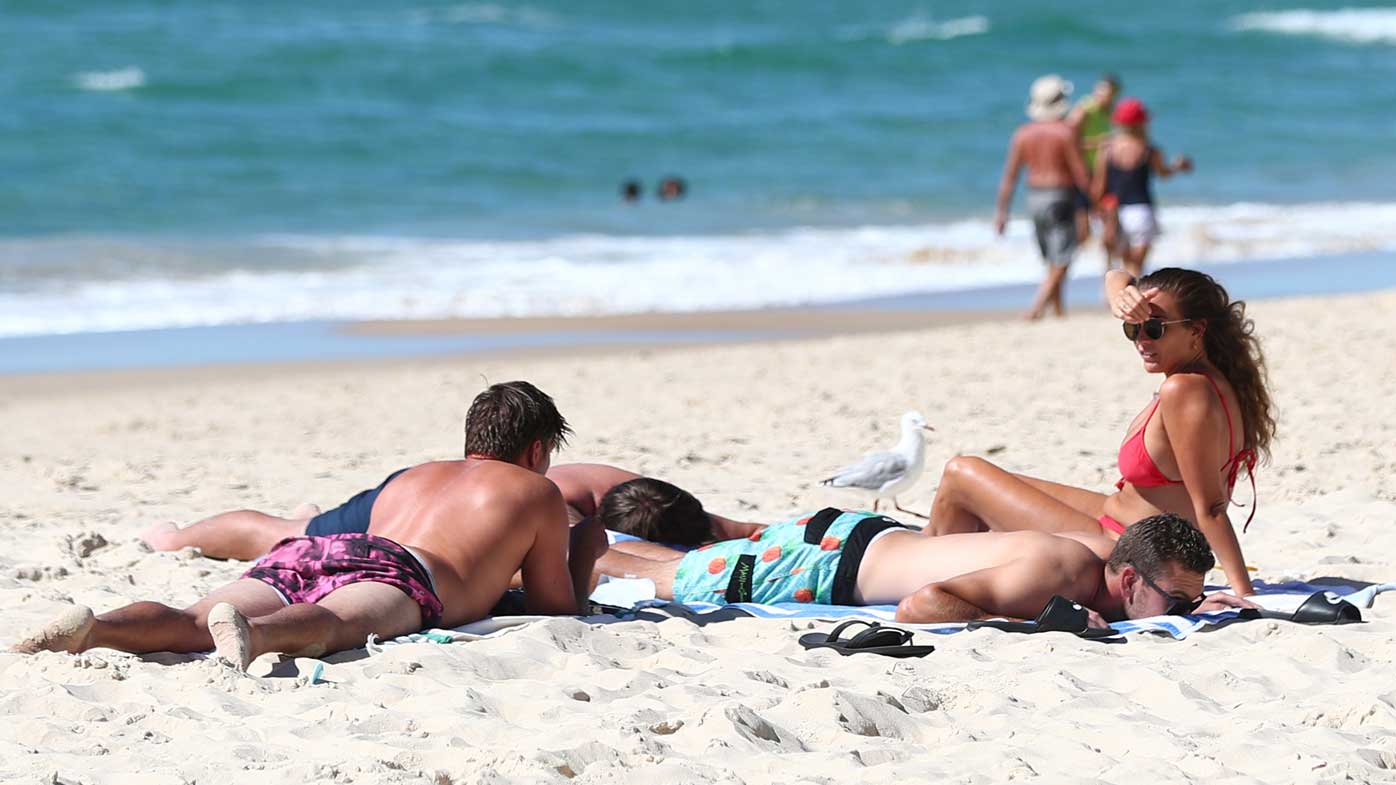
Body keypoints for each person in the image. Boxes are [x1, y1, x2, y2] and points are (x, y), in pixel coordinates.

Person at [11, 381, 605, 669]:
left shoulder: (415, 474)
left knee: (196, 618)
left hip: (320, 548)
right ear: (536, 449)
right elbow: (556, 608)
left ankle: (98, 627)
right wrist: (584, 550)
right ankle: (258, 636)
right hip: (408, 574)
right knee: (341, 620)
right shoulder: (536, 491)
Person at [926, 268, 1273, 598]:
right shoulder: (1216, 380)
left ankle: (917, 566)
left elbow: (1210, 508)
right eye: (1132, 328)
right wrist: (1121, 295)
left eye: (1154, 328)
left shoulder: (1184, 390)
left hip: (1123, 545)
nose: (1141, 340)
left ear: (1196, 330)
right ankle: (926, 554)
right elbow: (1115, 274)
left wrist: (1244, 593)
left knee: (961, 474)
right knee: (989, 482)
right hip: (1115, 518)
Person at [602, 508, 1248, 624]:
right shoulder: (1058, 576)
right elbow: (924, 604)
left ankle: (589, 541)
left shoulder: (1097, 553)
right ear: (1129, 580)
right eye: (1178, 601)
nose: (1186, 609)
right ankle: (578, 544)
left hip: (866, 538)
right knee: (661, 578)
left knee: (687, 561)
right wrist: (1058, 619)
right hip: (823, 568)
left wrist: (1200, 598)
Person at [142, 463, 760, 562]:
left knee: (308, 519)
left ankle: (312, 510)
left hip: (440, 489)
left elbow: (729, 528)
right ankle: (172, 538)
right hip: (410, 499)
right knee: (286, 535)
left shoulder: (647, 494)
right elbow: (617, 560)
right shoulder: (566, 510)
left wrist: (745, 536)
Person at [995, 75, 1092, 321]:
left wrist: (1002, 212)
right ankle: (1036, 308)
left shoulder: (1023, 134)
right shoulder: (1065, 133)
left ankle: (1059, 311)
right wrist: (1094, 204)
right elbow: (1080, 173)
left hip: (1033, 197)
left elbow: (1010, 176)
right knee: (1063, 257)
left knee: (1051, 257)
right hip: (1060, 195)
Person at [1092, 97, 1193, 279]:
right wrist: (1177, 166)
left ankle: (1121, 299)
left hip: (1115, 211)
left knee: (1125, 264)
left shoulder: (1107, 149)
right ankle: (1132, 299)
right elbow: (1163, 173)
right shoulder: (1149, 149)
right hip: (1141, 211)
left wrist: (1097, 210)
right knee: (1136, 266)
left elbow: (1099, 185)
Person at [1067, 73, 1121, 267]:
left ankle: (1108, 270)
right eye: (1100, 91)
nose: (1103, 96)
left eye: (1108, 93)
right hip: (1083, 172)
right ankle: (1062, 267)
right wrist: (1099, 144)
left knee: (1110, 224)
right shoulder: (1085, 108)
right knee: (1083, 231)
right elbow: (1068, 141)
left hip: (1104, 173)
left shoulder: (1110, 111)